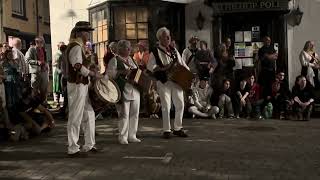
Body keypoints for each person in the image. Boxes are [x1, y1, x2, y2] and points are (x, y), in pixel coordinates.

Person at [66, 21, 105, 157]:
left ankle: (89, 145)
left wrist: (91, 68)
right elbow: (77, 66)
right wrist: (93, 74)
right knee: (75, 117)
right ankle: (73, 148)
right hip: (77, 85)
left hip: (81, 85)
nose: (88, 34)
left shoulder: (79, 46)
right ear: (80, 33)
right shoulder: (76, 47)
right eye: (86, 32)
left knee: (89, 114)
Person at [147, 27, 189, 139]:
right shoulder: (154, 51)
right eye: (166, 36)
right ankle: (166, 130)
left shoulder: (174, 50)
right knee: (166, 106)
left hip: (177, 80)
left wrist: (189, 75)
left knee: (180, 104)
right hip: (164, 81)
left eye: (169, 36)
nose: (169, 38)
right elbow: (150, 67)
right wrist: (163, 68)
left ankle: (178, 128)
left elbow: (182, 63)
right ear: (160, 38)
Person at [107, 40, 141, 144]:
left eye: (129, 47)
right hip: (123, 89)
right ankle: (123, 136)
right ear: (120, 49)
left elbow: (137, 71)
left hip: (134, 89)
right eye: (127, 48)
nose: (130, 49)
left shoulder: (132, 59)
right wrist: (122, 72)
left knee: (135, 113)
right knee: (124, 114)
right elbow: (110, 75)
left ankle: (132, 135)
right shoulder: (115, 60)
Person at [25, 37, 49, 103]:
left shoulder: (44, 50)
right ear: (36, 42)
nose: (42, 43)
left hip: (44, 72)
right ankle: (35, 106)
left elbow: (45, 60)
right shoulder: (31, 49)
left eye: (42, 42)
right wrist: (36, 62)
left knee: (44, 90)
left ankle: (43, 104)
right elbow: (27, 60)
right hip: (36, 73)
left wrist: (47, 65)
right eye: (40, 42)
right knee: (35, 90)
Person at [53, 42, 65, 106]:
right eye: (61, 46)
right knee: (57, 86)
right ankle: (57, 101)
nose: (61, 47)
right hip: (58, 72)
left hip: (64, 72)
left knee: (63, 86)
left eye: (63, 46)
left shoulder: (65, 54)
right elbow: (53, 63)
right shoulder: (56, 54)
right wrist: (58, 63)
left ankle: (63, 101)